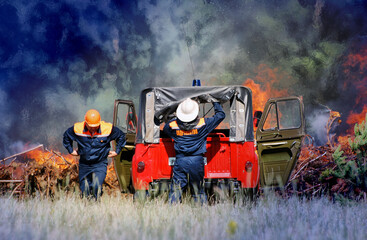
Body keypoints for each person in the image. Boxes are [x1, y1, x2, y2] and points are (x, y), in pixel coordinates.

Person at [163, 97, 225, 203]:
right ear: (195, 112)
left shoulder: (173, 125)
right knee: (198, 191)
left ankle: (171, 213)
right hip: (196, 161)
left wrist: (175, 118)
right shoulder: (203, 124)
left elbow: (166, 128)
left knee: (176, 190)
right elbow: (220, 115)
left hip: (180, 160)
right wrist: (214, 101)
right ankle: (201, 214)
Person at [63, 109, 126, 200]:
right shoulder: (77, 128)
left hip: (100, 164)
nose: (93, 128)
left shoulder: (107, 129)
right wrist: (71, 150)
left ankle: (95, 205)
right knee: (85, 190)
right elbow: (66, 136)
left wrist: (117, 151)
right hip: (84, 164)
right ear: (86, 123)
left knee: (96, 186)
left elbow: (121, 136)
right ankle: (87, 208)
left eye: (95, 126)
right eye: (90, 126)